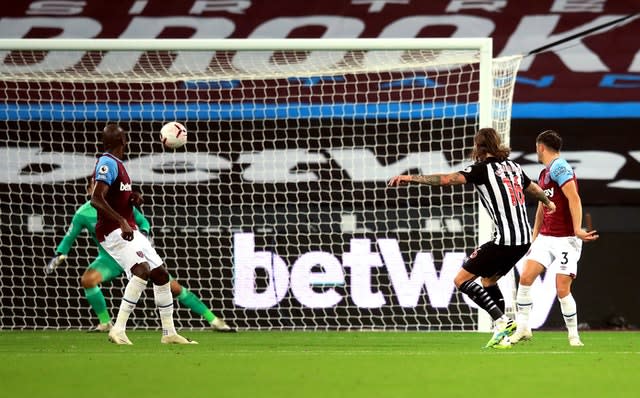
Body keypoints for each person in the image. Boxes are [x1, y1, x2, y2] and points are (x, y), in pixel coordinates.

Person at [388, 127, 555, 348]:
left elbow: (446, 179)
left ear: (479, 146)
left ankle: (502, 321)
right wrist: (548, 202)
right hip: (523, 240)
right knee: (489, 281)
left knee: (461, 280)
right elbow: (533, 187)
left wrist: (410, 177)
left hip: (504, 240)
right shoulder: (514, 167)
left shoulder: (481, 170)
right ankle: (502, 335)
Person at [46, 180, 234, 333]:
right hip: (110, 259)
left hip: (134, 253)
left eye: (101, 186)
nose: (99, 190)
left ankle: (214, 320)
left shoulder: (120, 205)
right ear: (89, 190)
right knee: (88, 280)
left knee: (173, 287)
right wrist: (59, 254)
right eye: (94, 187)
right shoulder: (82, 213)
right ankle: (106, 323)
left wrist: (142, 236)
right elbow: (69, 237)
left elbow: (143, 222)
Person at [90, 123, 196, 344]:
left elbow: (114, 197)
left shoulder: (118, 165)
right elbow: (96, 198)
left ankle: (169, 334)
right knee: (141, 271)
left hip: (129, 227)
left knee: (161, 275)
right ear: (123, 141)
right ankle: (118, 329)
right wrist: (121, 221)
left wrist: (132, 198)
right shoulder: (108, 162)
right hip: (113, 230)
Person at [511, 130, 598, 347]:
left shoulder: (560, 167)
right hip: (546, 238)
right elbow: (542, 207)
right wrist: (534, 237)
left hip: (566, 239)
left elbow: (574, 198)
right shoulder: (544, 173)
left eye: (536, 147)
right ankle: (523, 328)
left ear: (541, 147)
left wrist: (577, 228)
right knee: (525, 278)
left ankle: (573, 336)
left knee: (561, 288)